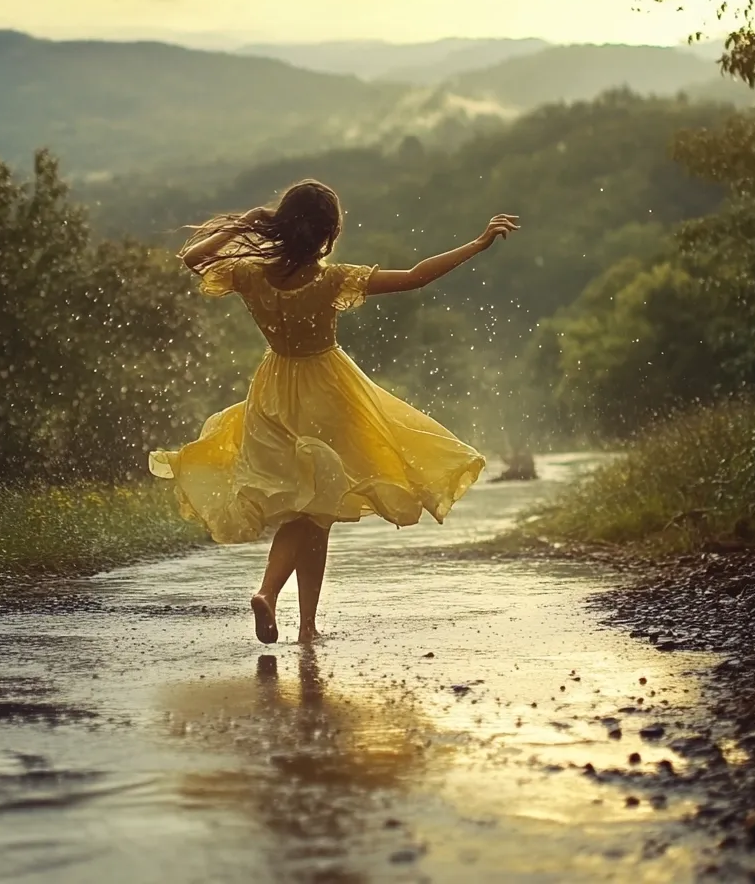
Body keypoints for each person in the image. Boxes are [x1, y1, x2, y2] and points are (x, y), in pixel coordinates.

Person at [149, 179, 520, 645]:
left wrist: (243, 224)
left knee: (313, 512)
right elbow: (417, 276)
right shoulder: (330, 280)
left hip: (273, 393)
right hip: (326, 392)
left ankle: (307, 625)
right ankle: (266, 593)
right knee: (309, 512)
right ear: (327, 234)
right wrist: (478, 243)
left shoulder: (251, 275)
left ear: (285, 224)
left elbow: (192, 259)